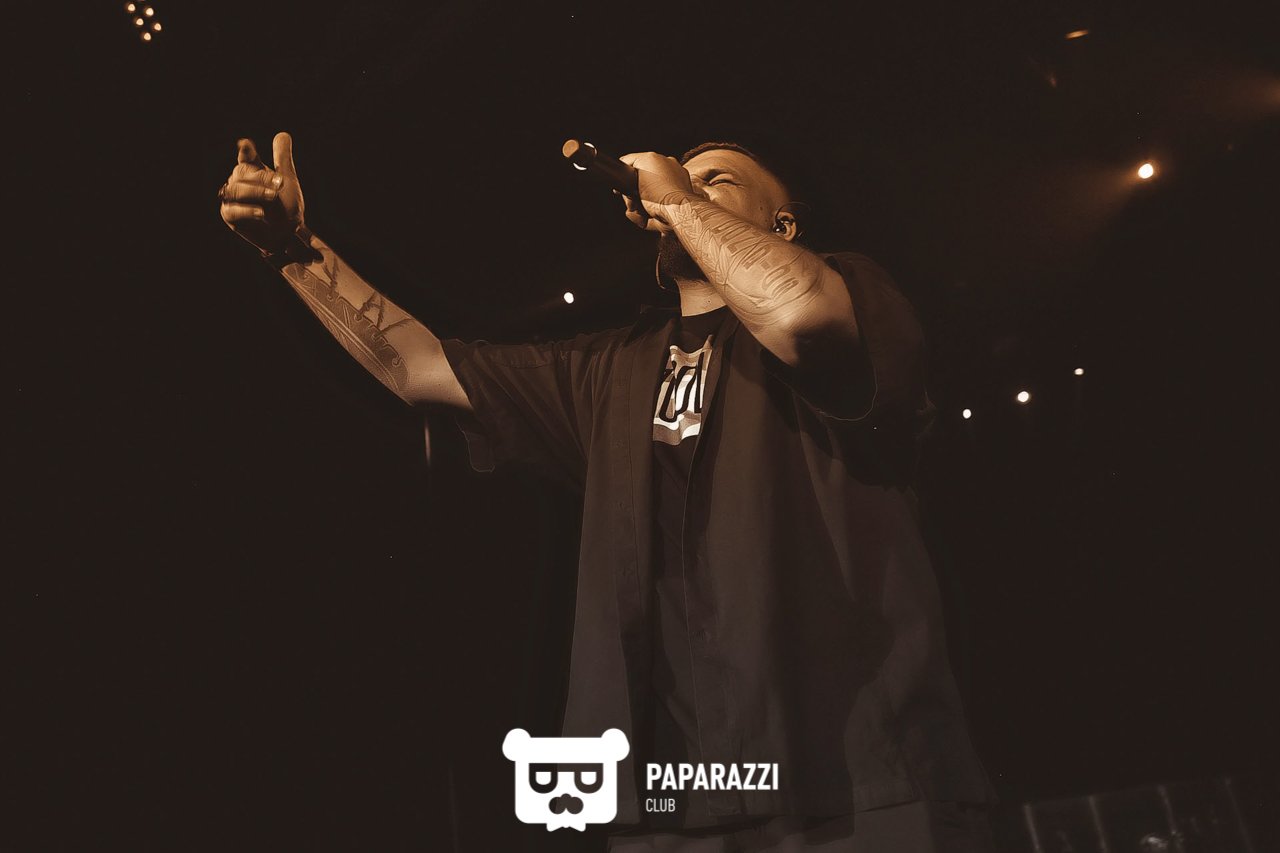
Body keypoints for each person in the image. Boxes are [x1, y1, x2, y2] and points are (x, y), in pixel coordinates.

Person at [219, 132, 998, 852]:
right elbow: (418, 367)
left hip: (859, 784)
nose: (686, 183)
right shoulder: (608, 369)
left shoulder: (849, 291)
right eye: (684, 175)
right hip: (674, 805)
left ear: (782, 225)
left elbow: (798, 315)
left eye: (717, 179)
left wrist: (678, 199)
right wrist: (293, 250)